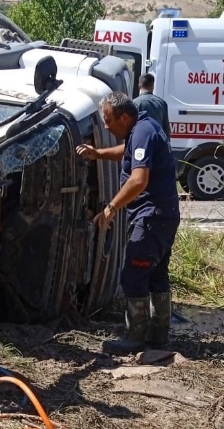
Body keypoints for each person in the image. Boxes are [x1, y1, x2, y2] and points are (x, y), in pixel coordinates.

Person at [75, 91, 180, 355]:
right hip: (163, 216)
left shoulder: (143, 131)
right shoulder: (144, 128)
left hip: (151, 217)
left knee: (134, 275)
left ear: (124, 117)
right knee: (156, 275)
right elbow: (129, 152)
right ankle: (158, 337)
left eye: (109, 120)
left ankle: (135, 337)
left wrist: (111, 207)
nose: (106, 126)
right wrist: (98, 153)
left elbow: (138, 179)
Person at [132, 73, 171, 138]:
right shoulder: (162, 103)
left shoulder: (134, 103)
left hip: (140, 140)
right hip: (158, 141)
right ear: (152, 86)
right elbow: (166, 128)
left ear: (139, 86)